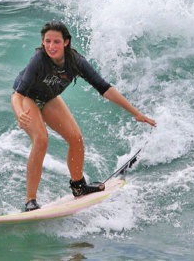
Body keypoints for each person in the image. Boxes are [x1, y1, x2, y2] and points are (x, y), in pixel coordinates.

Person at [11, 21, 156, 212]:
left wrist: (136, 113)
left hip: (49, 98)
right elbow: (17, 95)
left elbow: (105, 88)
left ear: (66, 42)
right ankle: (30, 200)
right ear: (43, 42)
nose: (51, 46)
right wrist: (20, 113)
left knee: (76, 138)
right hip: (28, 98)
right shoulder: (39, 58)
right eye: (47, 41)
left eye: (56, 42)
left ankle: (78, 187)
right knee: (41, 139)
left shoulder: (75, 62)